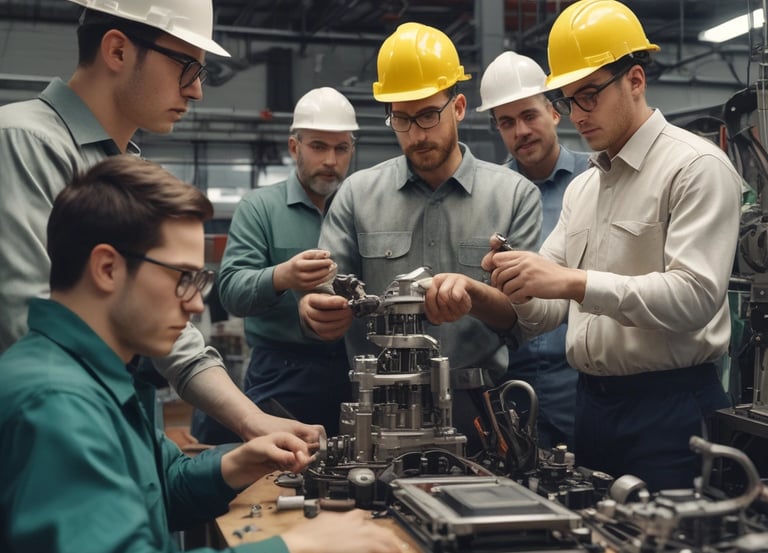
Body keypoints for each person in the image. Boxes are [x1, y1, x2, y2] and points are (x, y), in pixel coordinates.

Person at [0, 155, 401, 553]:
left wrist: (238, 464)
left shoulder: (96, 376)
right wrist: (294, 547)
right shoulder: (56, 405)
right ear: (107, 268)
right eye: (183, 278)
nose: (196, 306)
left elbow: (161, 485)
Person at [0, 0, 320, 445]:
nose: (196, 92)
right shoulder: (24, 143)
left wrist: (251, 420)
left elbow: (170, 326)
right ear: (117, 51)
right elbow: (28, 323)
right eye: (187, 67)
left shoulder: (127, 170)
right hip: (43, 444)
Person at [482, 0, 741, 491]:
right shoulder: (586, 188)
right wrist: (516, 282)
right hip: (593, 407)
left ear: (636, 81)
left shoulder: (694, 169)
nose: (577, 114)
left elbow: (695, 298)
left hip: (671, 410)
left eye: (590, 95)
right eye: (568, 99)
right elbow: (547, 311)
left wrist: (573, 282)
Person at [298, 22, 542, 454]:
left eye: (428, 115)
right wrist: (314, 311)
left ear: (460, 106)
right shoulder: (356, 195)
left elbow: (523, 321)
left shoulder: (515, 195)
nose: (416, 133)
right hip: (379, 411)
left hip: (479, 411)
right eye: (402, 119)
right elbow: (326, 290)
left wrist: (472, 292)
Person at [208, 87, 358, 441]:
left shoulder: (364, 208)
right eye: (318, 146)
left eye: (341, 148)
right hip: (281, 375)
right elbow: (230, 291)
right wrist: (282, 276)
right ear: (295, 147)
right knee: (274, 479)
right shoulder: (259, 208)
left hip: (354, 372)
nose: (331, 161)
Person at [476, 51, 591, 450]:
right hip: (507, 384)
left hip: (580, 383)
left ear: (555, 112)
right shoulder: (486, 195)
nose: (520, 131)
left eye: (529, 115)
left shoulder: (596, 182)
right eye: (506, 122)